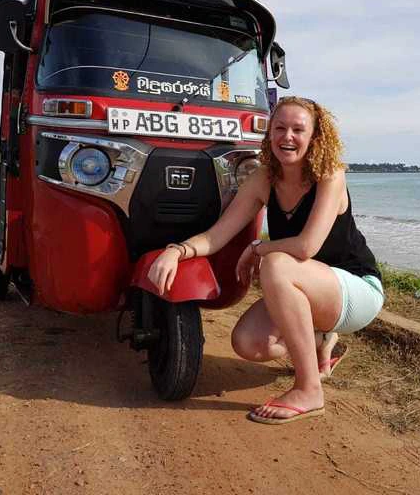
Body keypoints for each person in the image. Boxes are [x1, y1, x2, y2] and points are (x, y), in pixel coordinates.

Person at [147, 96, 383, 425]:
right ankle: (321, 341)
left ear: (315, 136)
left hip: (355, 289)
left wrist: (259, 248)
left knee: (276, 263)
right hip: (309, 287)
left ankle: (309, 389)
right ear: (269, 134)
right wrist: (176, 251)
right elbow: (217, 235)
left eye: (298, 129)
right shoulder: (263, 178)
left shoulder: (329, 174)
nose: (288, 137)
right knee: (249, 343)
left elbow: (306, 247)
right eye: (280, 128)